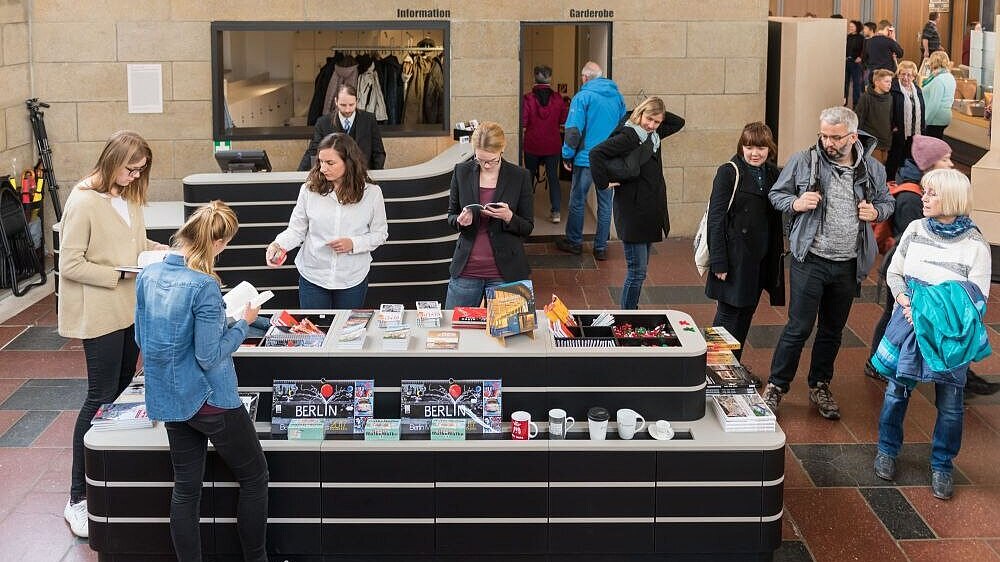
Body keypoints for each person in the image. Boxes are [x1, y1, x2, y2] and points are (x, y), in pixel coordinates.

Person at [136, 201, 269, 561]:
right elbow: (209, 356)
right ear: (217, 242)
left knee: (186, 488)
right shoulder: (204, 286)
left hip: (169, 397)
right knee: (255, 478)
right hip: (211, 399)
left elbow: (141, 339)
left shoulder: (148, 275)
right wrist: (243, 322)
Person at [58, 130, 169, 538]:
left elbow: (134, 243)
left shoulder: (131, 195)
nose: (134, 176)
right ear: (111, 160)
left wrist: (162, 251)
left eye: (140, 171)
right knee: (100, 397)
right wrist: (121, 272)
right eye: (129, 169)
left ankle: (108, 481)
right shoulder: (83, 201)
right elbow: (70, 265)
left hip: (128, 310)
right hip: (99, 313)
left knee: (121, 395)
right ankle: (77, 499)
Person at [762, 106, 895, 420]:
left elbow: (887, 201)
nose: (828, 142)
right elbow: (776, 194)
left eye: (835, 137)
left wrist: (876, 213)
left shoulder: (871, 169)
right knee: (798, 327)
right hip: (811, 259)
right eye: (823, 135)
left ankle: (820, 384)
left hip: (849, 264)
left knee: (833, 330)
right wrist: (796, 203)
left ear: (852, 136)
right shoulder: (804, 160)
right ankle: (777, 386)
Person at [872, 169, 992, 501]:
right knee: (897, 391)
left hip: (949, 335)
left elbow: (976, 300)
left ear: (952, 198)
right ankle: (886, 449)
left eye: (931, 193)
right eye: (925, 192)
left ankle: (942, 465)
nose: (922, 198)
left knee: (951, 403)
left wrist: (929, 313)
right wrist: (905, 301)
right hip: (908, 322)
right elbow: (895, 272)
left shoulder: (975, 246)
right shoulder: (914, 229)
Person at [866, 135, 999, 397]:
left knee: (897, 317)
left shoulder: (925, 194)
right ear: (929, 164)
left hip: (919, 274)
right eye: (945, 159)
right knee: (896, 318)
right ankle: (880, 362)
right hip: (908, 272)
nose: (950, 164)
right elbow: (912, 240)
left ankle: (881, 361)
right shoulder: (915, 199)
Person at [703, 123, 785, 384]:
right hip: (733, 258)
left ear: (768, 149)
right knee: (728, 314)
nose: (754, 153)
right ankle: (715, 371)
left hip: (759, 259)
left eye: (760, 147)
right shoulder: (729, 172)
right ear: (741, 147)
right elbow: (715, 219)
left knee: (746, 313)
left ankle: (732, 366)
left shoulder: (773, 173)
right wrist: (719, 260)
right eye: (749, 147)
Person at [269, 133, 388, 309]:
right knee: (313, 332)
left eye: (330, 163)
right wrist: (278, 245)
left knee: (344, 334)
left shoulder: (372, 193)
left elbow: (380, 234)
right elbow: (296, 230)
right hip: (313, 275)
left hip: (352, 278)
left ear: (348, 162)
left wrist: (353, 243)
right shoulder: (309, 189)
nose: (323, 168)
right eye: (321, 162)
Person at [589, 96, 685, 309]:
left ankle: (631, 310)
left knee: (640, 271)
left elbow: (679, 122)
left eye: (656, 121)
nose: (651, 125)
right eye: (648, 119)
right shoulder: (629, 135)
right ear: (640, 114)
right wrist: (603, 183)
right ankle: (627, 314)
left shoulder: (654, 135)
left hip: (649, 210)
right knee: (637, 272)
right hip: (633, 211)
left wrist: (655, 107)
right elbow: (596, 153)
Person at [444, 121, 534, 308]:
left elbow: (527, 226)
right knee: (457, 330)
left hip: (505, 271)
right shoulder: (462, 172)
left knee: (508, 333)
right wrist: (461, 220)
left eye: (491, 160)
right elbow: (451, 215)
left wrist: (509, 216)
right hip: (467, 269)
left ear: (502, 150)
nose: (485, 165)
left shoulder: (520, 176)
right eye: (480, 159)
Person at [555, 61, 626, 261]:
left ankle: (574, 242)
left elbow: (573, 130)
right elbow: (622, 129)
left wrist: (567, 155)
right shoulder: (618, 97)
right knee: (605, 205)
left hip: (586, 160)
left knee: (577, 201)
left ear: (585, 78)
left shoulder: (582, 97)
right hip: (610, 160)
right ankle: (601, 247)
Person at [298, 85, 386, 172]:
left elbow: (378, 152)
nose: (347, 110)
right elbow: (313, 151)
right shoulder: (323, 123)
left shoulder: (369, 120)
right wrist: (298, 174)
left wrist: (374, 175)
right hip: (333, 177)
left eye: (351, 105)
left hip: (362, 175)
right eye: (343, 105)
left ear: (357, 101)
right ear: (336, 101)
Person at [522, 64, 568, 224]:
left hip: (532, 144)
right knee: (553, 178)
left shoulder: (527, 98)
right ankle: (556, 212)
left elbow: (524, 122)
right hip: (553, 145)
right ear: (550, 79)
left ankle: (526, 213)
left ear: (534, 78)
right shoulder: (558, 98)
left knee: (528, 177)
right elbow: (563, 119)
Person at [885, 61, 926, 181]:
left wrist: (922, 127)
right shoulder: (893, 89)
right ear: (898, 74)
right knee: (895, 157)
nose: (905, 78)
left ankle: (905, 181)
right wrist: (893, 126)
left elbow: (921, 109)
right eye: (903, 74)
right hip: (899, 130)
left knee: (909, 158)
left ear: (914, 76)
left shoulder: (917, 90)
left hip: (915, 131)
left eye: (909, 75)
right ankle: (889, 181)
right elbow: (889, 110)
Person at [855, 69, 895, 163]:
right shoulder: (866, 98)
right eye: (886, 81)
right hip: (872, 141)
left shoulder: (890, 98)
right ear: (876, 82)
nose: (889, 84)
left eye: (890, 82)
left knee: (882, 166)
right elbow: (859, 118)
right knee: (874, 168)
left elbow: (890, 118)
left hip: (885, 140)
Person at [922, 51, 956, 139]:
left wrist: (925, 121)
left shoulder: (938, 80)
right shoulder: (949, 76)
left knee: (931, 147)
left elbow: (934, 104)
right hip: (944, 116)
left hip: (935, 119)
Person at [846, 20, 866, 107]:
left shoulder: (861, 38)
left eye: (852, 26)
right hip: (847, 62)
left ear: (857, 27)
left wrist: (860, 57)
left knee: (856, 84)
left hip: (856, 63)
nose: (850, 28)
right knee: (845, 83)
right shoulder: (848, 36)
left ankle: (856, 104)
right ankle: (844, 102)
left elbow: (864, 50)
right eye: (849, 26)